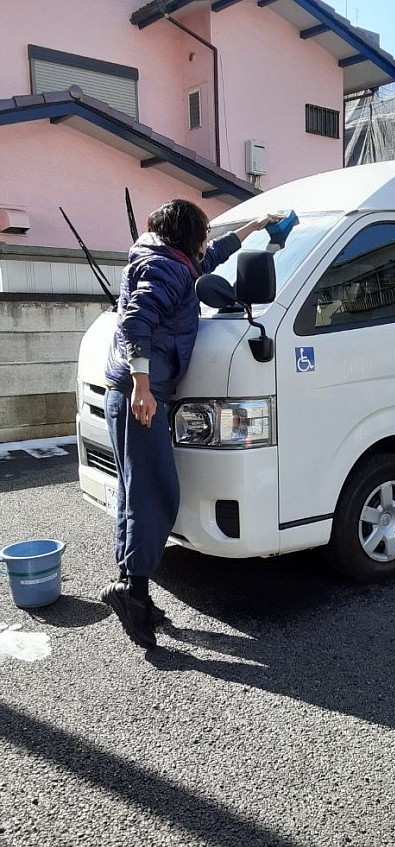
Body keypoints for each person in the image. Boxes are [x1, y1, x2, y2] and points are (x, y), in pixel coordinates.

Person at [100, 199, 277, 648]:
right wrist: (142, 385)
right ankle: (133, 592)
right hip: (143, 394)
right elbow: (135, 323)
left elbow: (209, 258)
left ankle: (131, 587)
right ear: (186, 235)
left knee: (136, 488)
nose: (205, 242)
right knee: (156, 490)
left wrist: (255, 228)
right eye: (201, 233)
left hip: (138, 390)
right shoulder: (166, 268)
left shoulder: (169, 260)